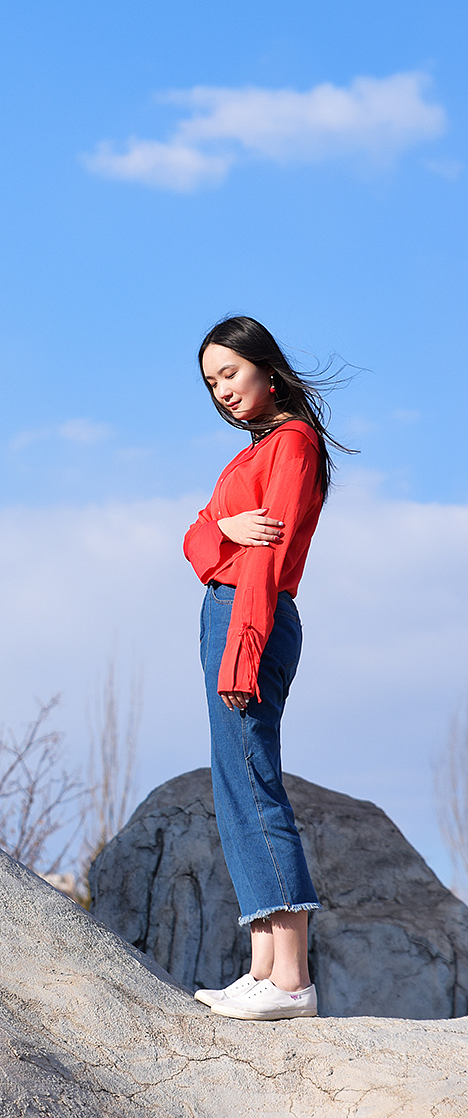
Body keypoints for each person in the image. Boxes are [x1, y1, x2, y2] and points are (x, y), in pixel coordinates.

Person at [184, 315, 353, 1022]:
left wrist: (243, 648)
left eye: (230, 373)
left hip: (251, 613)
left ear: (267, 368)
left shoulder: (293, 444)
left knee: (254, 786)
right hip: (230, 611)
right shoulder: (256, 451)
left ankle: (290, 979)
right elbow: (194, 538)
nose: (222, 390)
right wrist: (219, 528)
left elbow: (268, 559)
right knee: (236, 786)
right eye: (211, 382)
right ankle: (262, 969)